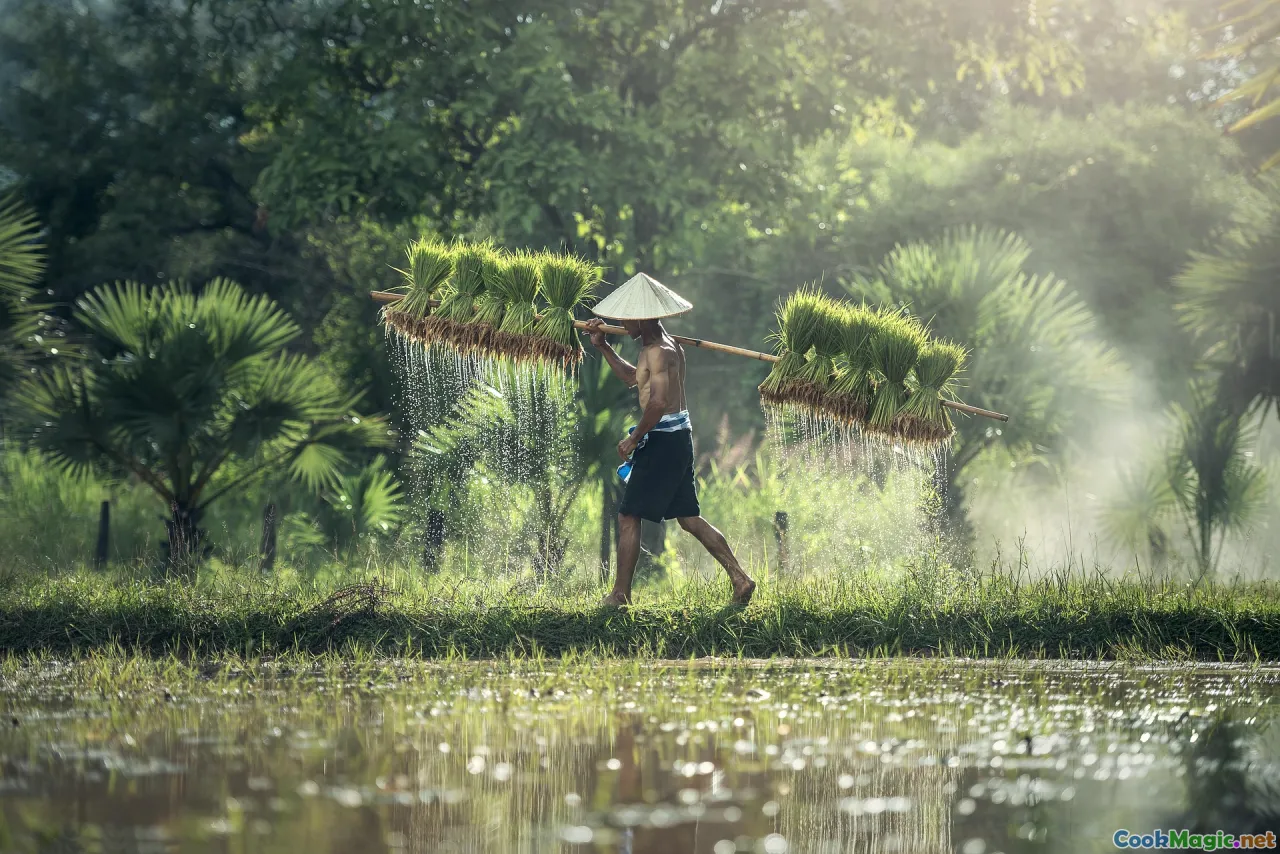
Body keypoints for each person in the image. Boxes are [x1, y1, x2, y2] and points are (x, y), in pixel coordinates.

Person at [582, 272, 756, 607]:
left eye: (626, 317)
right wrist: (602, 346)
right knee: (688, 518)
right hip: (677, 438)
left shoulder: (660, 351)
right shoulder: (660, 348)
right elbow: (634, 379)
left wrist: (634, 437)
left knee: (628, 515)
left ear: (641, 317)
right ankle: (740, 578)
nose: (621, 322)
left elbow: (658, 403)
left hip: (663, 440)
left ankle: (620, 594)